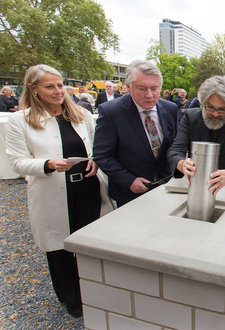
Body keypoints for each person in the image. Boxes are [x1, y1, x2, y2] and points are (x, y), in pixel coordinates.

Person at [5, 64, 101, 317]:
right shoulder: (20, 121)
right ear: (33, 89)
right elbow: (17, 161)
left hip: (87, 188)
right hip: (52, 189)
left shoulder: (81, 114)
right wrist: (46, 164)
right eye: (50, 86)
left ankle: (93, 291)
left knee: (88, 242)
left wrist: (95, 160)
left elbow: (93, 147)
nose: (58, 91)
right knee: (59, 247)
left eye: (60, 85)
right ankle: (71, 297)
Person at [93, 60, 178, 207]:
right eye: (142, 88)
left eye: (154, 88)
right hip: (130, 194)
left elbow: (175, 145)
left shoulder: (170, 108)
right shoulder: (111, 112)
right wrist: (128, 180)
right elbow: (102, 155)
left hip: (167, 189)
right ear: (128, 87)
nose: (149, 95)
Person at [168, 75, 225, 195]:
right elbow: (175, 151)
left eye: (222, 109)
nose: (215, 114)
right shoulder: (190, 118)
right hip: (195, 191)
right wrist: (182, 164)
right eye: (210, 107)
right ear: (202, 103)